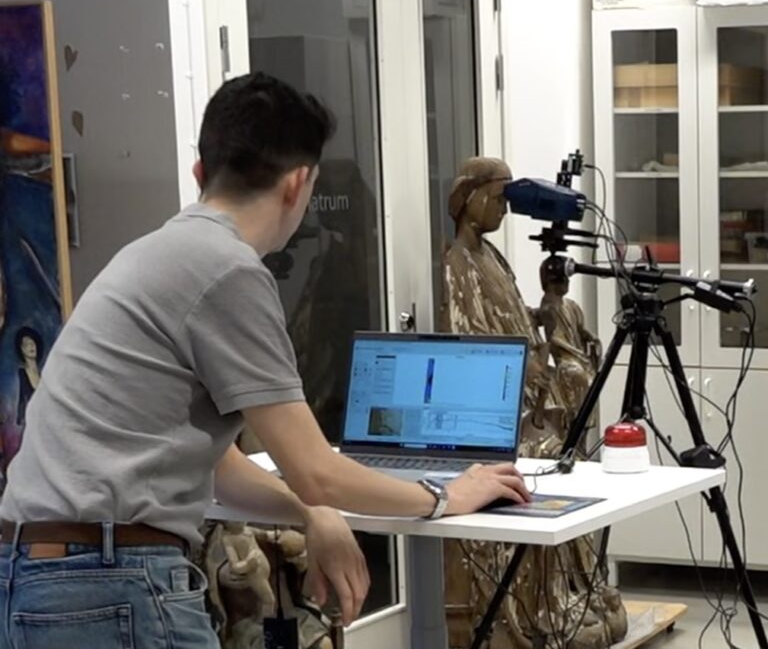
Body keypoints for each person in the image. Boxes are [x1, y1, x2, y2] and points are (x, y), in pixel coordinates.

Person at [0, 73, 530, 649]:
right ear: (298, 184)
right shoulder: (227, 270)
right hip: (110, 581)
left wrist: (308, 512)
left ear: (200, 173)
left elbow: (218, 465)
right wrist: (446, 497)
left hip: (35, 576)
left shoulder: (152, 253)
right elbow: (316, 470)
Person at [14, 327, 42, 428]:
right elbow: (20, 403)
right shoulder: (21, 374)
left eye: (33, 343)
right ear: (21, 349)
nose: (31, 346)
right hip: (30, 427)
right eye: (26, 344)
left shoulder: (44, 374)